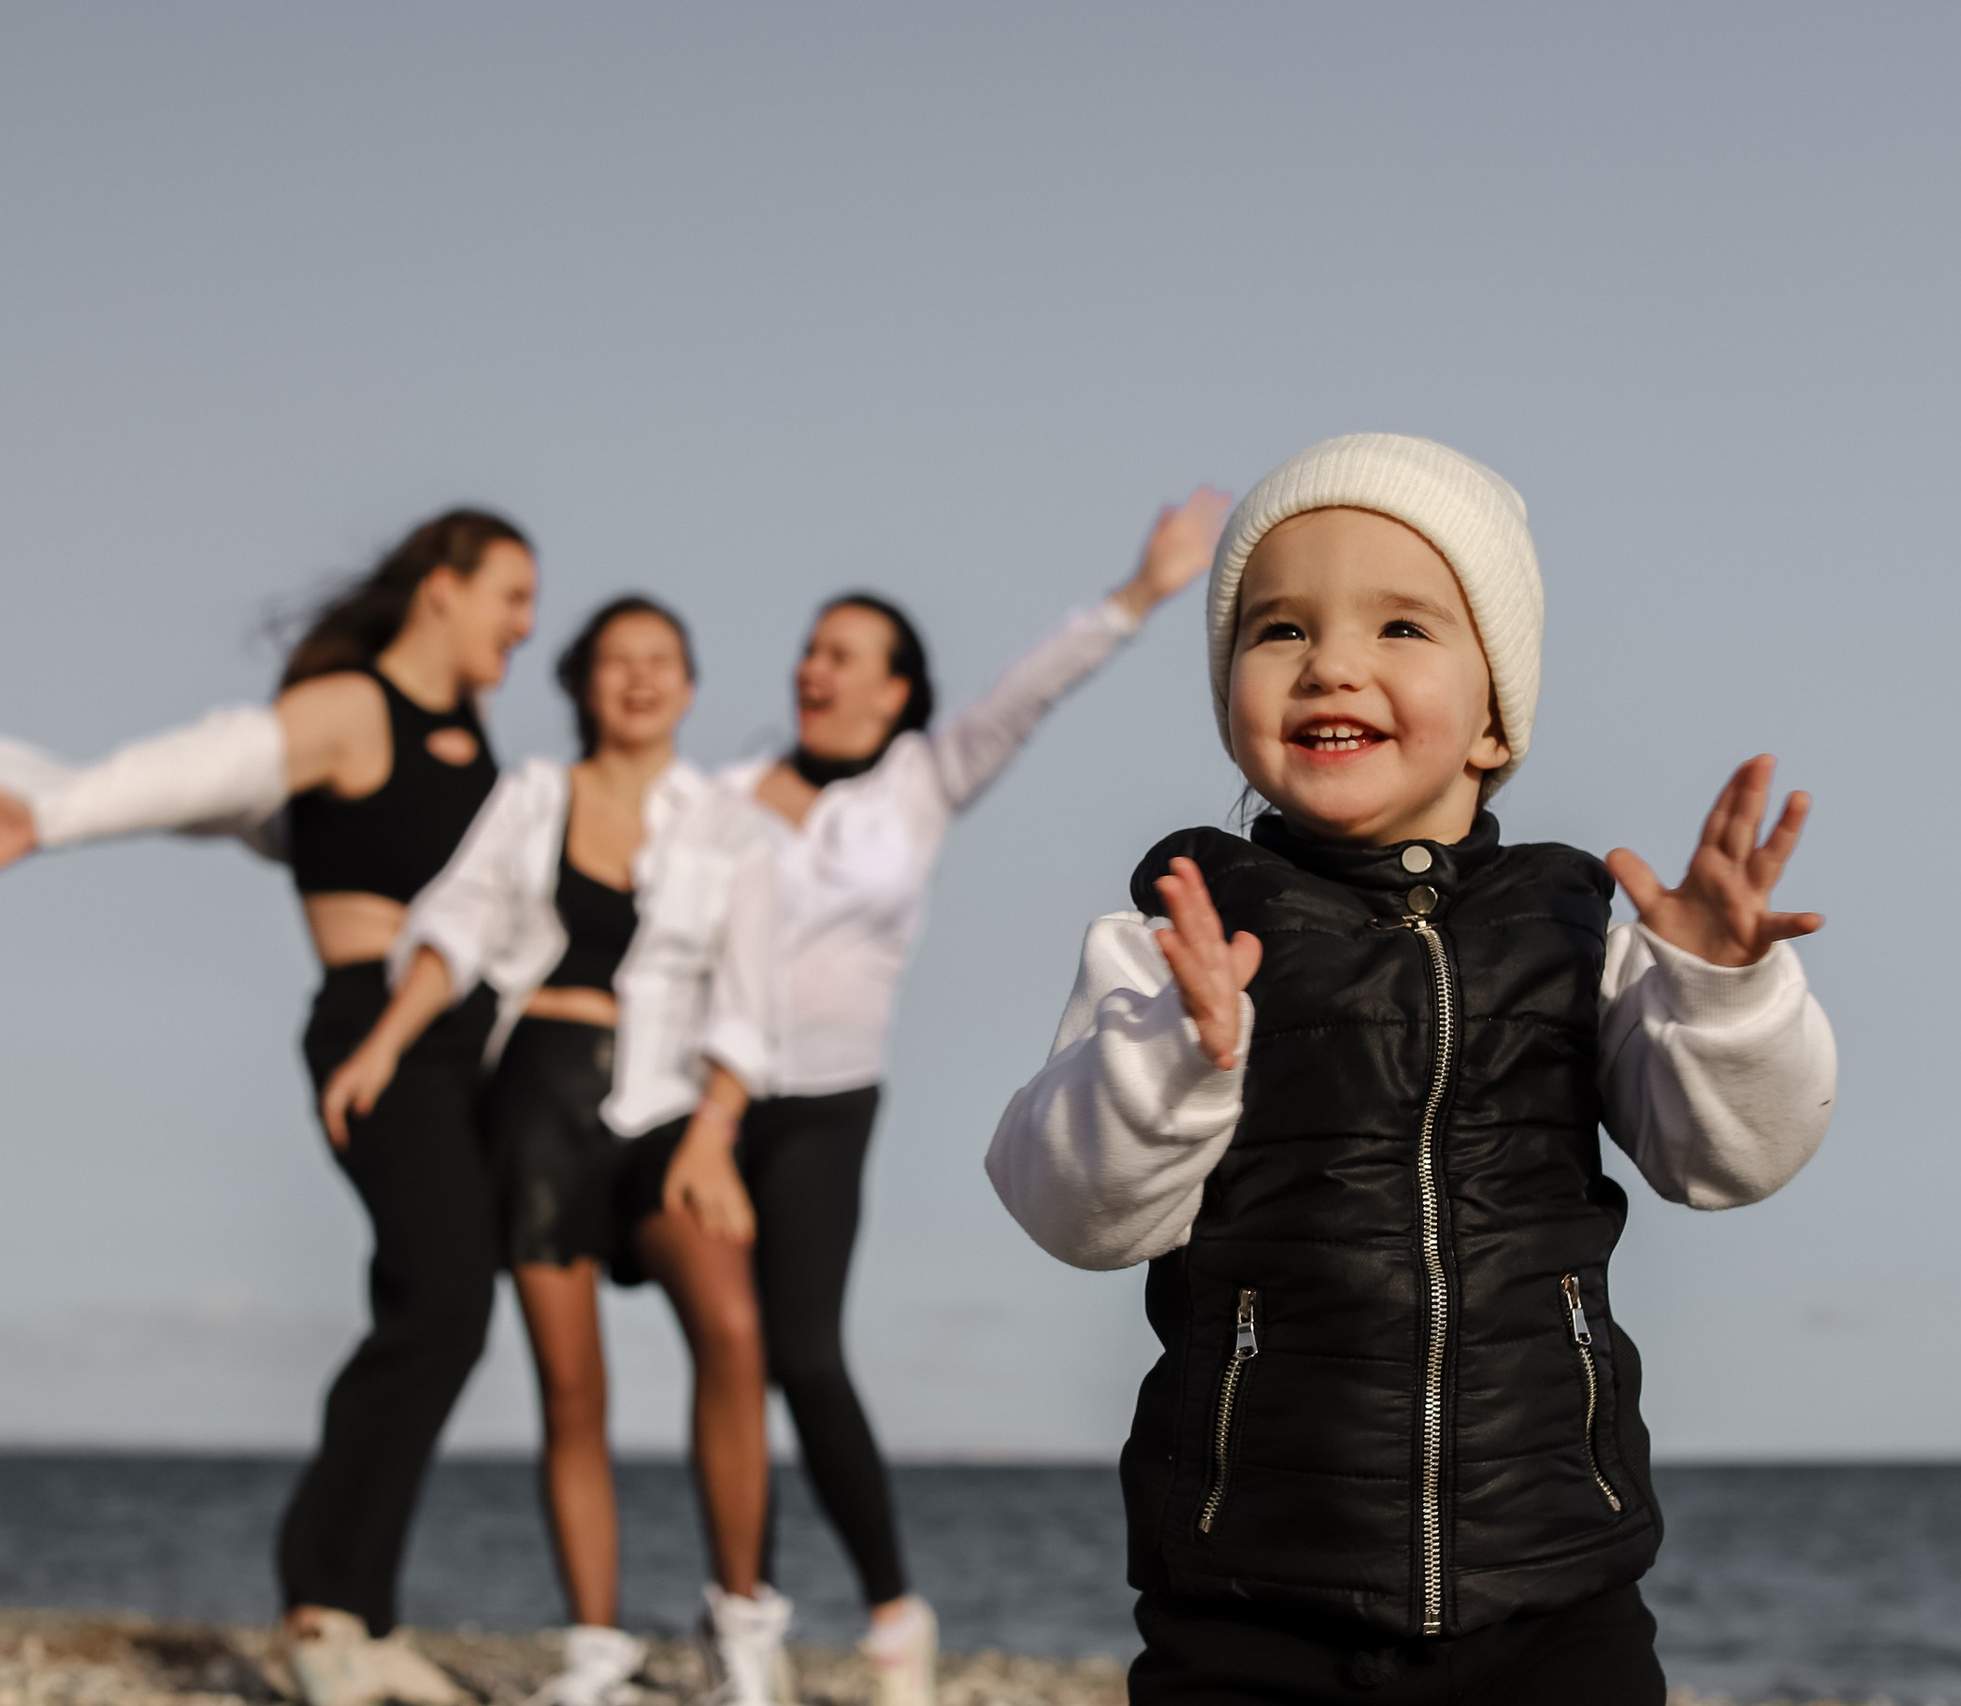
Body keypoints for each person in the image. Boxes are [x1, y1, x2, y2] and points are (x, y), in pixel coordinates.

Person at [985, 434, 1839, 1706]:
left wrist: (1718, 990)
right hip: (1252, 1593)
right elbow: (1075, 1213)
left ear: (1496, 713)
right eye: (1277, 630)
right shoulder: (1179, 941)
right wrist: (1176, 1054)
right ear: (1229, 697)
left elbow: (1730, 1159)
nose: (1331, 660)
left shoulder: (1574, 936)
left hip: (1554, 1583)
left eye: (1400, 627)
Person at [0, 509, 540, 1706]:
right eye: (510, 593)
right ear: (441, 589)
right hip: (373, 1033)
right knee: (443, 1301)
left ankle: (359, 1611)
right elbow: (215, 764)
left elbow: (270, 821)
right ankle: (320, 1601)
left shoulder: (463, 728)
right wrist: (52, 811)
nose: (525, 621)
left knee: (434, 1304)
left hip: (458, 1048)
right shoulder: (348, 705)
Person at [714, 488, 1229, 1706]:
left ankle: (894, 1613)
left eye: (841, 653)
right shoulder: (729, 795)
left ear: (895, 688)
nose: (813, 669)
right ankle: (743, 1623)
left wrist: (1139, 594)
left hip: (823, 1105)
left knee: (798, 1353)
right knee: (718, 1369)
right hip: (706, 1104)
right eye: (807, 649)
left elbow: (1026, 691)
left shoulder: (919, 780)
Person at [318, 597, 788, 1706]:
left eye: (660, 660)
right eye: (615, 661)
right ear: (581, 682)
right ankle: (595, 1646)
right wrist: (380, 1046)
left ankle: (741, 1622)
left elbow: (751, 1001)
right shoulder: (532, 795)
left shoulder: (730, 825)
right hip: (536, 1102)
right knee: (571, 1387)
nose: (638, 679)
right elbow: (456, 924)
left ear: (689, 683)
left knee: (731, 1326)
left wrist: (717, 1131)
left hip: (671, 1105)